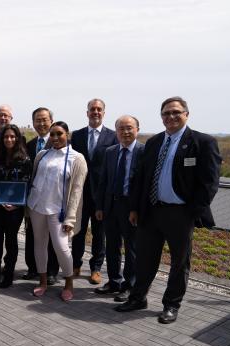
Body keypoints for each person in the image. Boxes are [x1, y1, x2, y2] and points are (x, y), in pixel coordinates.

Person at [115, 97, 221, 324]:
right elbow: (140, 179)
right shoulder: (153, 143)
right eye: (166, 113)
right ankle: (138, 298)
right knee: (144, 259)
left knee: (179, 262)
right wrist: (134, 208)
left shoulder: (202, 142)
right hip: (151, 211)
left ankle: (171, 304)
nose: (170, 117)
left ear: (186, 114)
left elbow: (209, 183)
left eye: (176, 112)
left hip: (180, 213)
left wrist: (193, 212)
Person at [27, 121, 88, 301]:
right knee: (39, 244)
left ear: (67, 134)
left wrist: (70, 218)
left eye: (59, 134)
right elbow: (33, 180)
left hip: (58, 211)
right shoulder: (42, 155)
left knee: (61, 248)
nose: (55, 138)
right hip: (37, 207)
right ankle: (43, 281)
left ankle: (68, 283)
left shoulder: (77, 158)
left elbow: (77, 191)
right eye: (52, 134)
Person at [95, 116, 144, 302]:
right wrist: (99, 206)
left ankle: (129, 286)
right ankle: (114, 281)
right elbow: (103, 181)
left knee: (131, 248)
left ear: (137, 129)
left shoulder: (143, 151)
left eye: (129, 128)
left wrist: (136, 209)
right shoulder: (110, 151)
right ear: (116, 131)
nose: (125, 132)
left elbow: (144, 185)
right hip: (110, 206)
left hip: (131, 208)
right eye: (121, 128)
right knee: (112, 247)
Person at [70, 99, 118, 284]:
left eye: (99, 109)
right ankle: (75, 264)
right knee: (78, 231)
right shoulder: (77, 135)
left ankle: (96, 269)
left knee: (100, 233)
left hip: (101, 194)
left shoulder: (112, 136)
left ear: (104, 113)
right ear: (87, 112)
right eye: (92, 109)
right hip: (80, 193)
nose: (95, 112)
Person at [0, 124, 32, 288]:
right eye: (6, 137)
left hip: (15, 209)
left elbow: (27, 184)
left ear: (18, 138)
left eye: (12, 136)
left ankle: (9, 273)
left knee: (11, 242)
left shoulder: (25, 159)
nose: (9, 139)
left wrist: (17, 204)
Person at [24, 107, 59, 282]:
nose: (41, 123)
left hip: (52, 199)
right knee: (32, 234)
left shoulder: (57, 143)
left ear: (51, 121)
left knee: (51, 237)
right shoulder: (28, 145)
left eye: (44, 119)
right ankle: (33, 268)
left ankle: (51, 271)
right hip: (32, 199)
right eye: (37, 120)